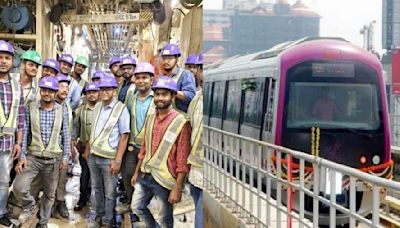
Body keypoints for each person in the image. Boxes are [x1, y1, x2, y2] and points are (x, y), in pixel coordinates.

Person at [130, 76, 191, 228]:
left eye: (164, 94)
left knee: (165, 220)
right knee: (137, 207)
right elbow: (144, 149)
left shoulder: (181, 122)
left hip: (165, 181)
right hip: (146, 174)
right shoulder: (151, 118)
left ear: (172, 96)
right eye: (157, 94)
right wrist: (137, 172)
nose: (160, 98)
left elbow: (182, 160)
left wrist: (177, 188)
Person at [13, 76, 70, 227]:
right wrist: (22, 156)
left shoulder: (61, 109)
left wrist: (65, 157)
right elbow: (25, 133)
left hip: (53, 159)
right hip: (33, 157)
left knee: (50, 194)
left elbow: (65, 134)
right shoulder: (30, 108)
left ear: (54, 92)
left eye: (51, 91)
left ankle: (43, 222)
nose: (47, 93)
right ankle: (31, 206)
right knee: (19, 187)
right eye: (44, 90)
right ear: (40, 90)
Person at [84, 76, 130, 228]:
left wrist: (117, 160)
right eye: (102, 89)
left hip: (109, 159)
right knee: (97, 189)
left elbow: (124, 136)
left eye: (107, 89)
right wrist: (88, 150)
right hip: (94, 157)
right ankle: (99, 214)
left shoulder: (121, 109)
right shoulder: (98, 106)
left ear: (114, 90)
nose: (104, 92)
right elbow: (93, 130)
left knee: (110, 193)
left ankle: (108, 221)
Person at [115, 62, 155, 215]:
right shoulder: (131, 97)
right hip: (132, 146)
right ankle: (132, 207)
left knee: (148, 181)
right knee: (128, 177)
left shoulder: (157, 98)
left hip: (151, 148)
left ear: (152, 80)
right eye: (138, 77)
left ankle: (144, 209)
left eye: (145, 77)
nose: (141, 81)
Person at [0, 40, 25, 227]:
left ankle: (1, 213)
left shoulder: (16, 87)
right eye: (0, 57)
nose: (3, 61)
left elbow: (21, 117)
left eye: (7, 58)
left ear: (12, 61)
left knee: (3, 182)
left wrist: (19, 143)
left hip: (7, 144)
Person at [72, 82, 100, 211]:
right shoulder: (81, 109)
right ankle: (82, 199)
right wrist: (74, 139)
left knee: (99, 177)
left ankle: (100, 204)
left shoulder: (102, 108)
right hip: (84, 147)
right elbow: (76, 126)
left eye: (94, 92)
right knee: (85, 174)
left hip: (100, 149)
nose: (92, 95)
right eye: (89, 92)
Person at [186, 54, 203, 228]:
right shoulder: (197, 99)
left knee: (201, 210)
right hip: (194, 165)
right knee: (196, 198)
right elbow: (189, 127)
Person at [160, 43, 196, 113]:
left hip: (180, 118)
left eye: (170, 58)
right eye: (164, 58)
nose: (166, 61)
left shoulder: (185, 75)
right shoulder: (162, 78)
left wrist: (173, 92)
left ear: (176, 59)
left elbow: (191, 96)